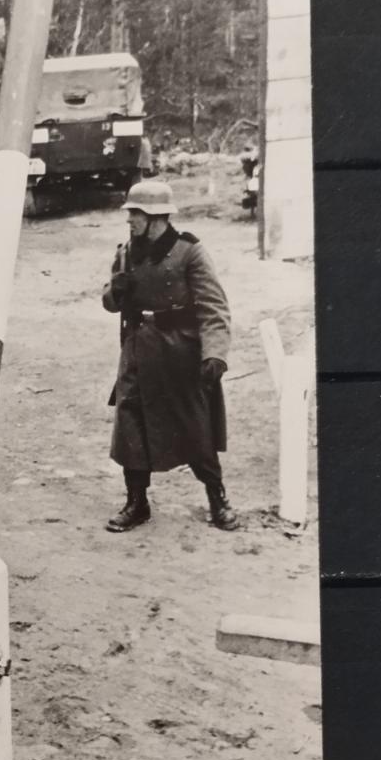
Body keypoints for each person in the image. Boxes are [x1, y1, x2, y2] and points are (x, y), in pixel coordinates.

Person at [101, 179, 239, 532]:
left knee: (194, 428)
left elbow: (214, 307)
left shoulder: (188, 251)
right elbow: (109, 301)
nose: (129, 220)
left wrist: (215, 355)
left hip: (179, 353)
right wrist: (115, 293)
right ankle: (137, 503)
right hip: (137, 351)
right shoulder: (126, 252)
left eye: (135, 213)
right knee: (131, 425)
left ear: (155, 216)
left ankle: (217, 497)